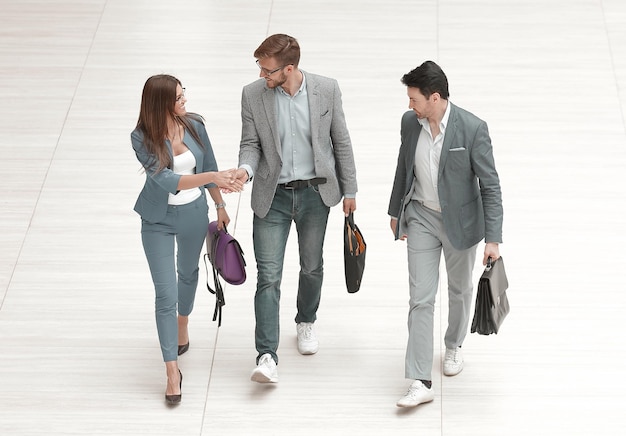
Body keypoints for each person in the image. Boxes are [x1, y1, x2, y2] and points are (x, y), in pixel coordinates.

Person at [232, 34, 358, 384]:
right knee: (268, 276)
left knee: (312, 266)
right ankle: (266, 355)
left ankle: (306, 320)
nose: (261, 75)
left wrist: (350, 190)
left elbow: (340, 141)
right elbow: (250, 143)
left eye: (267, 69)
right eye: (259, 67)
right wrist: (245, 169)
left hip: (316, 195)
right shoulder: (252, 95)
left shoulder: (326, 89)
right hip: (272, 196)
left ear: (289, 69)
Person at [388, 61, 503, 408]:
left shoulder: (472, 129)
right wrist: (396, 211)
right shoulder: (411, 124)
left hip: (461, 223)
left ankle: (453, 345)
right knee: (420, 298)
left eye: (415, 99)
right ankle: (420, 379)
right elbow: (402, 165)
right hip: (420, 216)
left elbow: (491, 186)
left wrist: (493, 239)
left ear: (434, 97)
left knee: (459, 289)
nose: (410, 106)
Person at [131, 74, 243, 404]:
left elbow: (208, 163)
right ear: (160, 103)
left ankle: (183, 323)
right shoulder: (141, 137)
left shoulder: (194, 125)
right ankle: (171, 372)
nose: (184, 102)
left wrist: (219, 204)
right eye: (178, 98)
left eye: (184, 95)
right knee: (165, 293)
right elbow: (169, 180)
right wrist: (213, 178)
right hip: (158, 220)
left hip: (194, 214)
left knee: (189, 275)